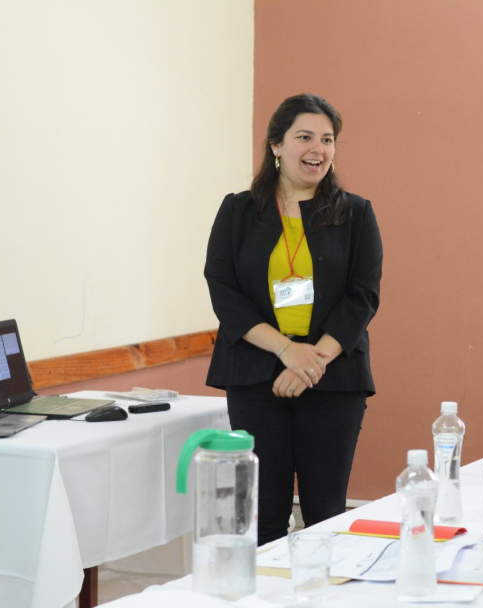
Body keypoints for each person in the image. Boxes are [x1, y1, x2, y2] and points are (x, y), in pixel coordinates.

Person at [204, 94, 383, 546]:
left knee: (325, 514)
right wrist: (286, 351)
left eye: (327, 139)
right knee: (263, 519)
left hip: (333, 378)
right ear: (276, 146)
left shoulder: (356, 214)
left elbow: (362, 296)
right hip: (255, 376)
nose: (318, 149)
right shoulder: (237, 211)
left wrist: (310, 362)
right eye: (304, 137)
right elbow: (224, 291)